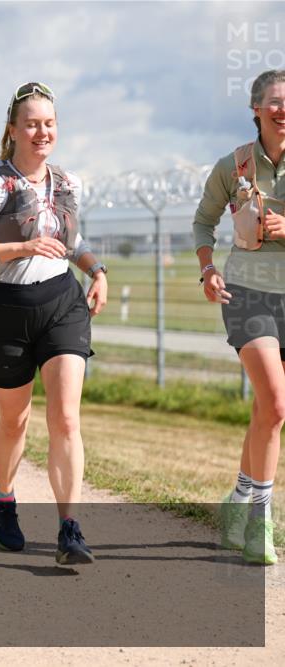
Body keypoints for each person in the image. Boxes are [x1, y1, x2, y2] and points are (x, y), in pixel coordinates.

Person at [0, 82, 109, 565]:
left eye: (50, 123)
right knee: (14, 421)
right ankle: (3, 496)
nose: (43, 132)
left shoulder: (68, 182)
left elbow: (70, 240)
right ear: (13, 129)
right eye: (33, 124)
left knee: (65, 418)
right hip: (5, 310)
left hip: (61, 302)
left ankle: (70, 529)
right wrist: (21, 247)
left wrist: (97, 270)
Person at [195, 69, 285, 566]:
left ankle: (237, 500)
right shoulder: (234, 166)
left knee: (265, 410)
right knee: (276, 404)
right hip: (248, 294)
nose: (282, 110)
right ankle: (259, 522)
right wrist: (208, 270)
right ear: (256, 108)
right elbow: (203, 222)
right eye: (274, 101)